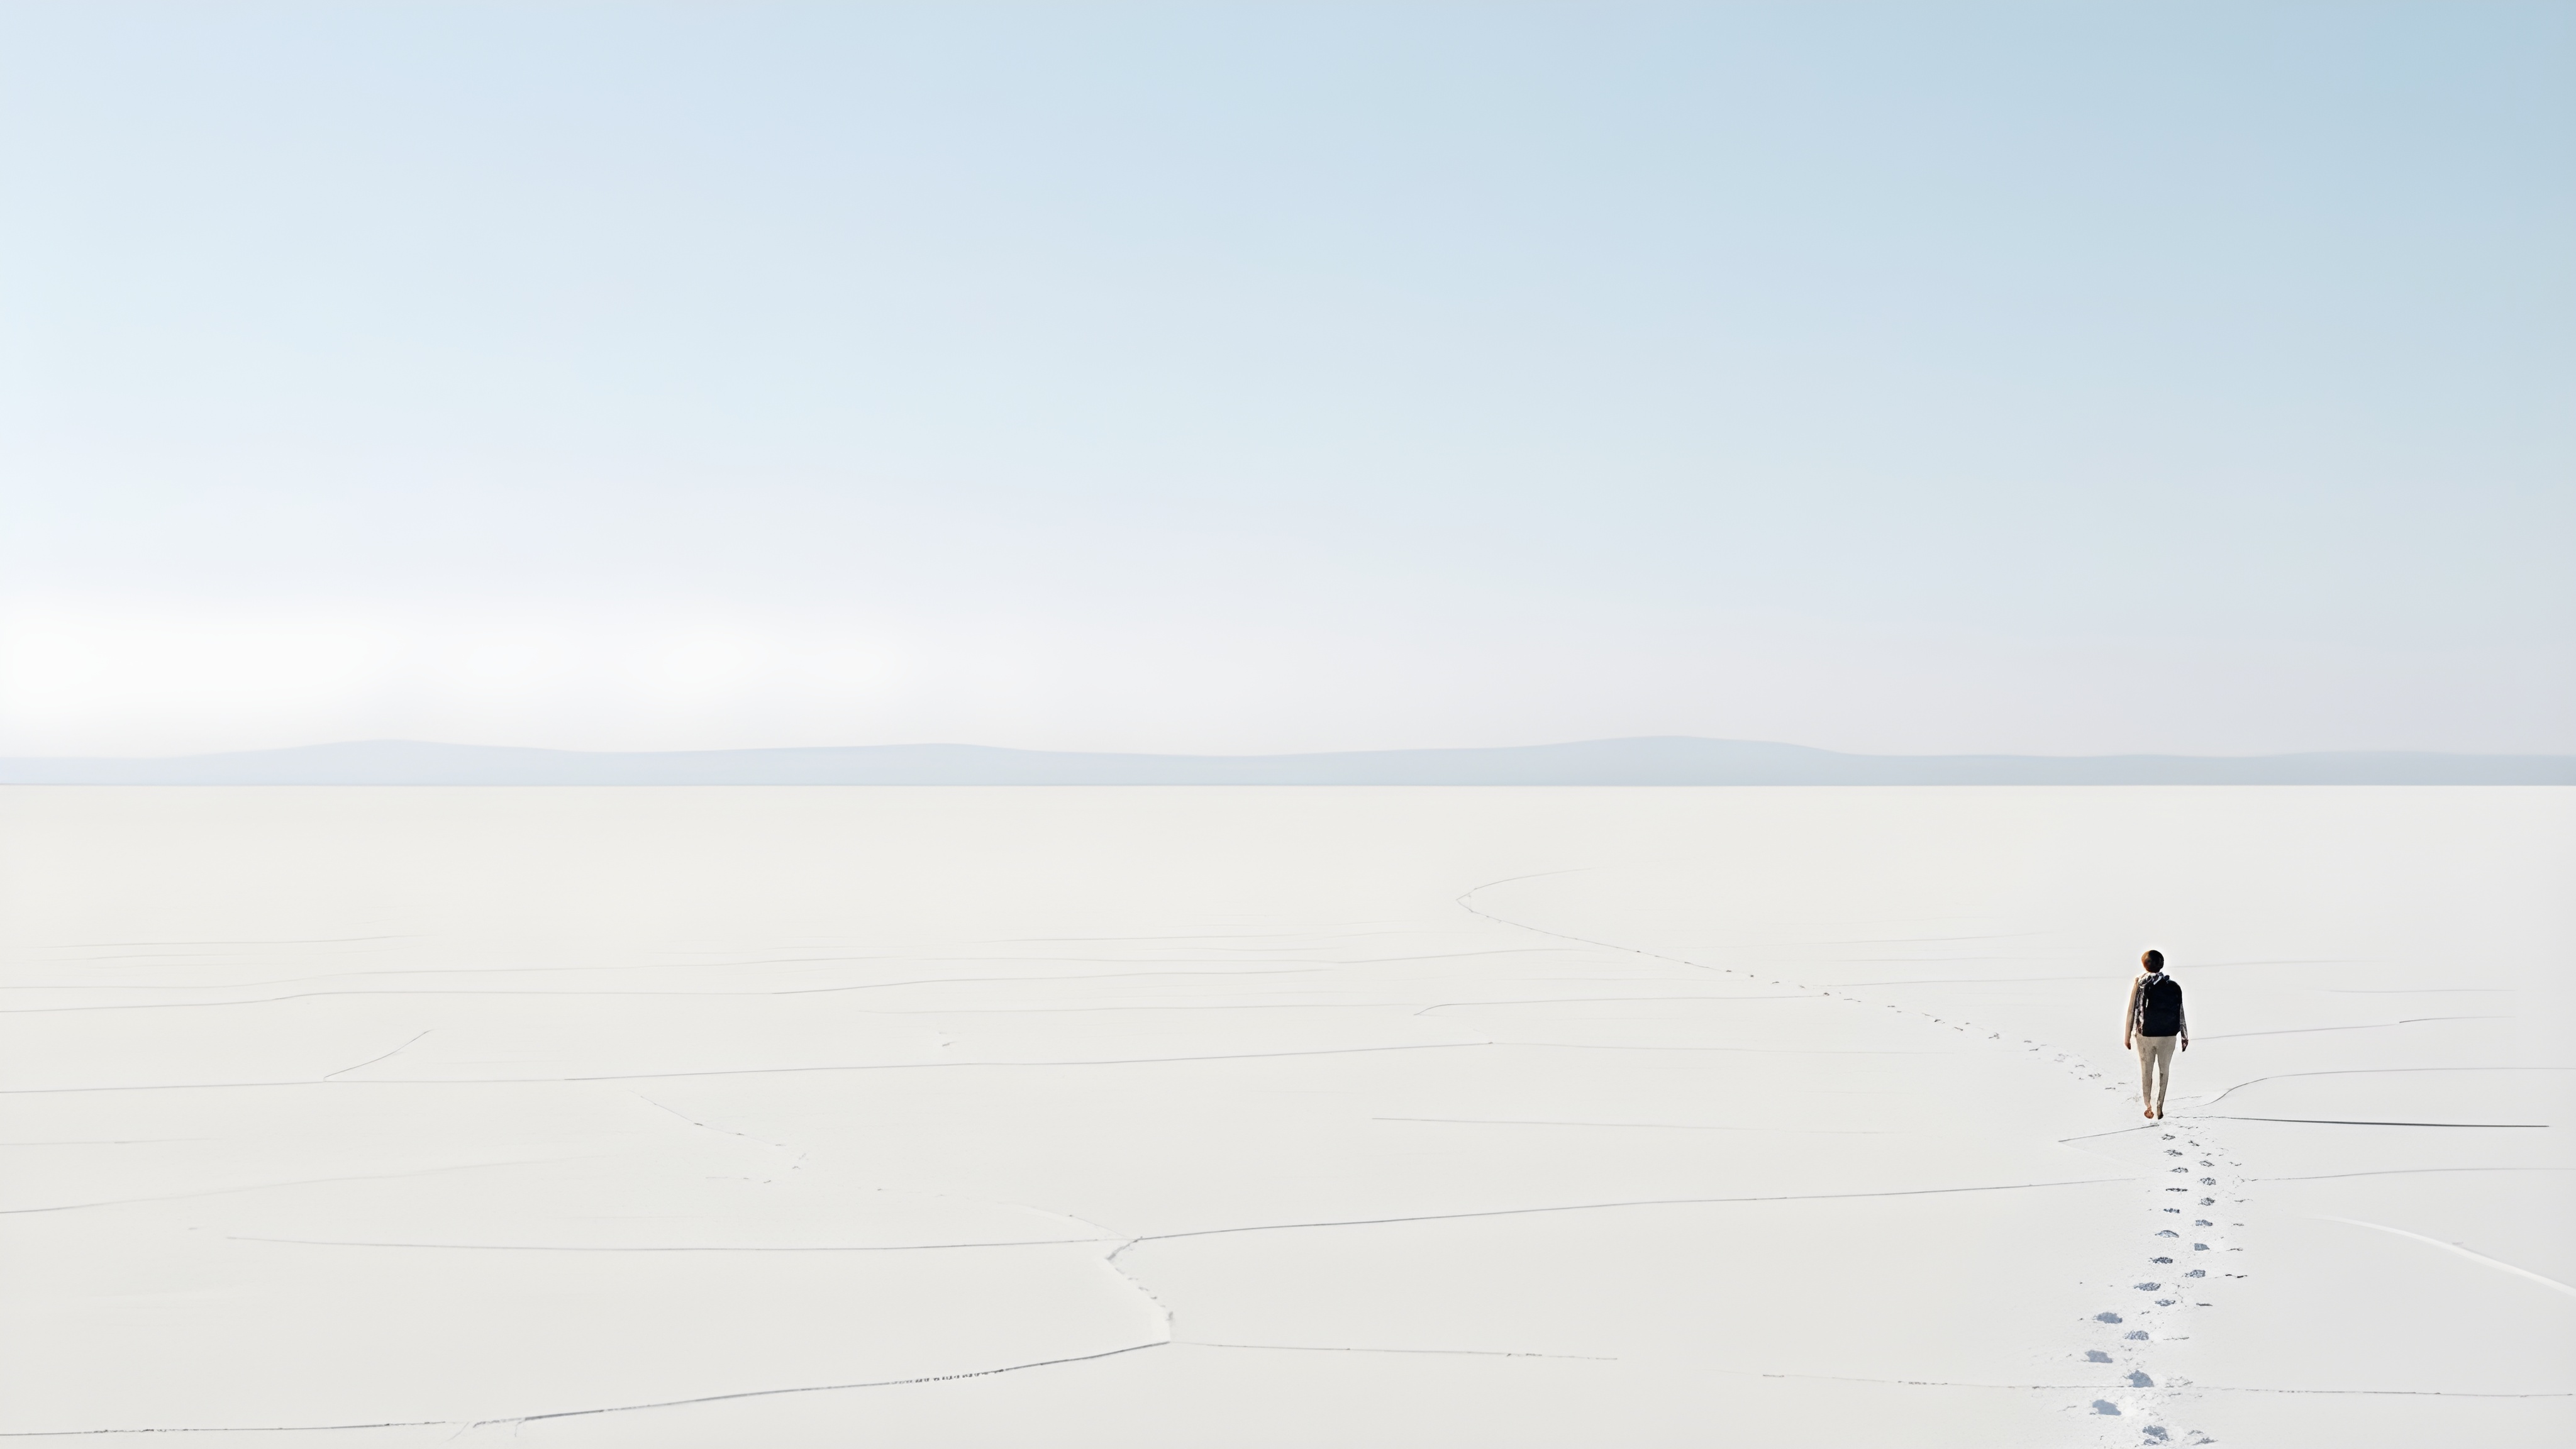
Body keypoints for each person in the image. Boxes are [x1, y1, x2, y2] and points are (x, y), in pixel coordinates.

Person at [2123, 949, 2187, 1119]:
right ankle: (2160, 1106)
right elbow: (2180, 1011)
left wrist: (2127, 1035)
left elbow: (2132, 1010)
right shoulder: (2173, 986)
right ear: (2162, 964)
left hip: (2145, 1035)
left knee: (2147, 1071)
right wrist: (2184, 1036)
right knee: (2164, 1071)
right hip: (2168, 1035)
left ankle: (2148, 1106)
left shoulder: (2141, 983)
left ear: (2145, 964)